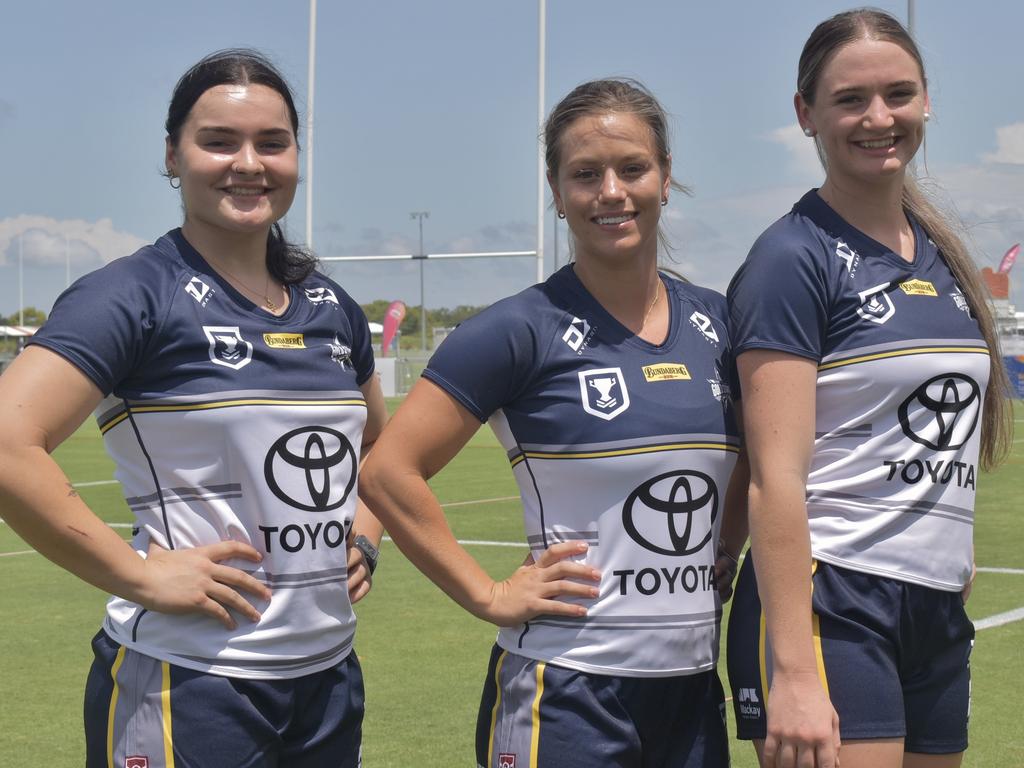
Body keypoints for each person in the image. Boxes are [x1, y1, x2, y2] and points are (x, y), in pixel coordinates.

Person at [0, 49, 386, 766]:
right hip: (188, 682)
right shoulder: (132, 295)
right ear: (173, 156)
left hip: (328, 680)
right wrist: (141, 575)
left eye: (273, 143)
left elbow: (380, 457)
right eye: (219, 142)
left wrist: (364, 532)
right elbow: (6, 443)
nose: (249, 163)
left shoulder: (333, 309)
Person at [360, 78, 747, 768]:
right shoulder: (517, 329)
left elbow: (762, 458)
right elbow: (387, 471)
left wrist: (728, 542)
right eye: (585, 174)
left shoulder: (721, 323)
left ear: (665, 177)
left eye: (633, 169)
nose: (611, 192)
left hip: (690, 689)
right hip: (564, 691)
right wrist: (487, 593)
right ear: (556, 190)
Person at [725, 9, 1013, 768]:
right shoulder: (792, 258)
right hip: (831, 605)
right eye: (851, 99)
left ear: (926, 102)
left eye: (898, 94)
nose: (878, 117)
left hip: (933, 606)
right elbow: (773, 479)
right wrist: (792, 671)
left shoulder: (943, 257)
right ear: (806, 114)